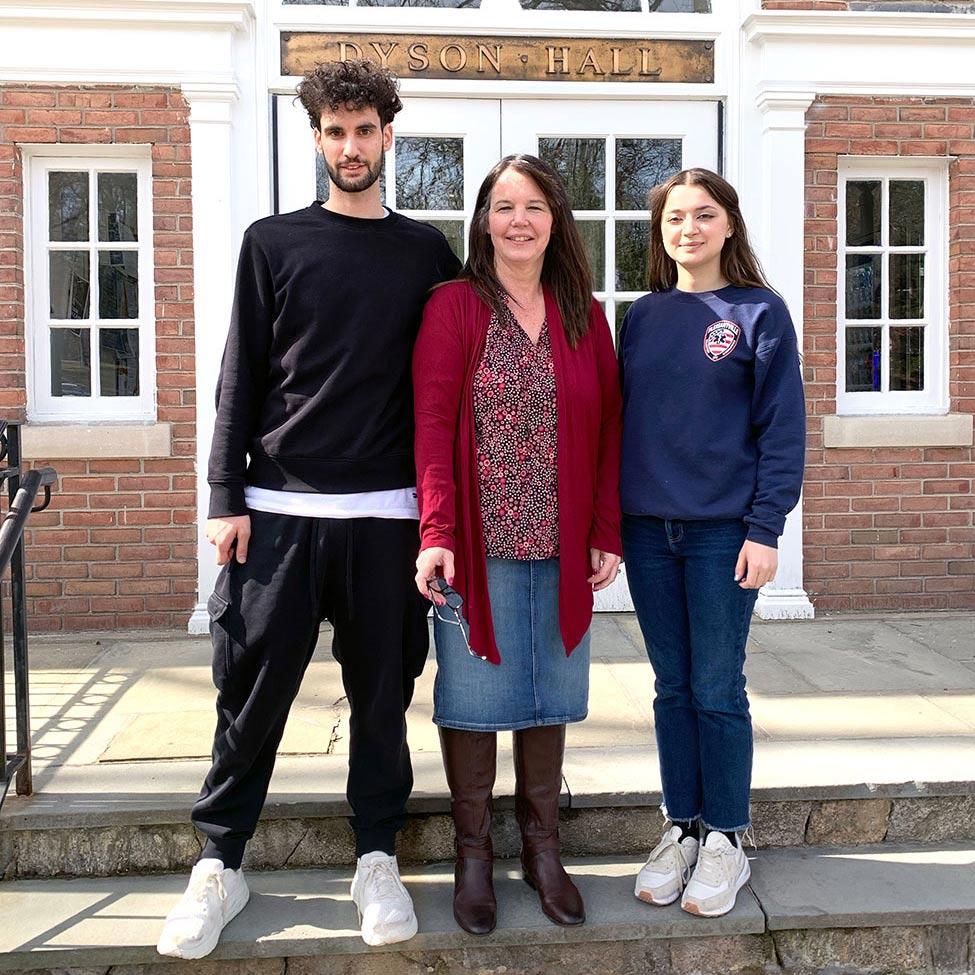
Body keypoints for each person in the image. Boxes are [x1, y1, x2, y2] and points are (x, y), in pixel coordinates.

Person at [156, 60, 461, 959]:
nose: (351, 146)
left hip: (386, 518)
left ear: (388, 136)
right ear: (317, 138)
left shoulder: (426, 254)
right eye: (336, 131)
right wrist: (222, 495)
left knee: (380, 697)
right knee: (250, 697)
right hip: (277, 512)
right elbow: (238, 377)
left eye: (366, 130)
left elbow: (447, 388)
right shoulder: (272, 242)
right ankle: (220, 860)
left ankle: (376, 854)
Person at [412, 154, 622, 936]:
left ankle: (542, 850)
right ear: (483, 223)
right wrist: (435, 533)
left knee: (549, 693)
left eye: (533, 206)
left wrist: (605, 528)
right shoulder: (454, 307)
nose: (519, 221)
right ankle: (474, 856)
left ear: (555, 220)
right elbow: (431, 427)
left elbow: (609, 427)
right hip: (477, 539)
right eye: (503, 207)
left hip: (562, 541)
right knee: (469, 700)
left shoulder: (582, 311)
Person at [618, 168, 805, 917]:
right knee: (670, 687)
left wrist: (765, 528)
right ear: (659, 232)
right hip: (646, 531)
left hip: (722, 533)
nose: (687, 228)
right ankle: (681, 827)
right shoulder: (642, 315)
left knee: (717, 687)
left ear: (728, 223)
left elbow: (781, 431)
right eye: (672, 217)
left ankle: (726, 837)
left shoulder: (759, 313)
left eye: (702, 214)